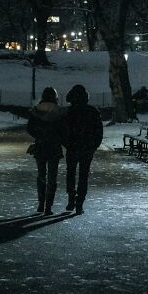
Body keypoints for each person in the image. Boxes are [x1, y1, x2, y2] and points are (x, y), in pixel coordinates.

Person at [63, 84, 103, 215]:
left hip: (73, 147)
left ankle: (71, 198)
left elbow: (62, 131)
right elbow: (99, 132)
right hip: (87, 148)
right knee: (83, 175)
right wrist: (94, 146)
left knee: (70, 173)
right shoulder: (93, 111)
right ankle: (79, 203)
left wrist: (67, 144)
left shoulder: (68, 112)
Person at [26, 86, 66, 215]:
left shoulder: (36, 111)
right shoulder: (60, 112)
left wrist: (40, 136)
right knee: (52, 177)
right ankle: (49, 206)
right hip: (54, 146)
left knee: (41, 175)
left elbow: (30, 129)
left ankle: (40, 204)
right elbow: (64, 130)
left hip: (41, 146)